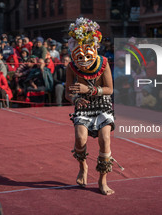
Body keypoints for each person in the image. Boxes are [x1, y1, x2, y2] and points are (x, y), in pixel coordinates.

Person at [65, 17, 122, 195]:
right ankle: (83, 166)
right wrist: (75, 99)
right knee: (80, 138)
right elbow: (68, 93)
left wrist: (88, 90)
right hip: (83, 104)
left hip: (102, 102)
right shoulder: (71, 67)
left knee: (105, 139)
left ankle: (102, 180)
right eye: (79, 54)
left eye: (88, 53)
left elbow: (110, 89)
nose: (84, 59)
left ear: (95, 47)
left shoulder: (103, 64)